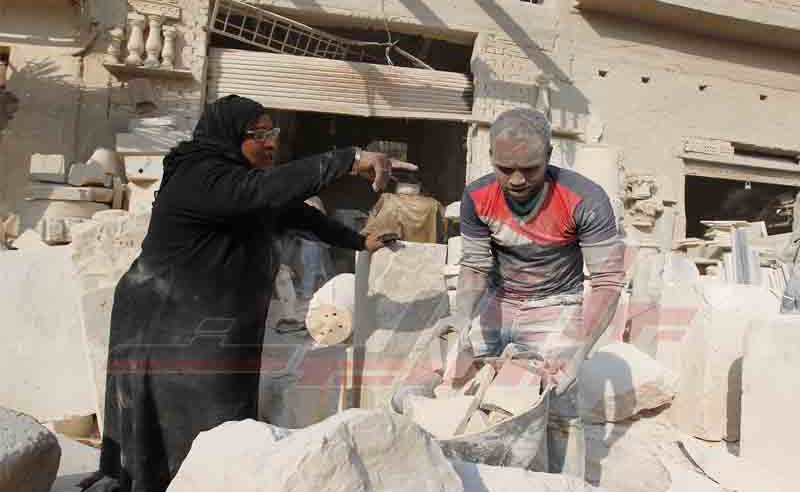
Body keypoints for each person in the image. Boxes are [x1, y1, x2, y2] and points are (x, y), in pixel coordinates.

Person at [80, 95, 416, 492]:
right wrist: (348, 159)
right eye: (259, 135)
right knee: (191, 416)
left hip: (209, 317)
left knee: (223, 415)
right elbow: (266, 190)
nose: (271, 143)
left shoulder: (242, 182)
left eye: (273, 133)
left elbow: (295, 212)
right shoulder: (200, 175)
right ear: (229, 136)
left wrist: (358, 241)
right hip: (164, 319)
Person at [449, 108, 625, 478]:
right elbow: (475, 265)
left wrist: (580, 351)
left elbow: (607, 280)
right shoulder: (477, 196)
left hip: (556, 304)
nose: (516, 180)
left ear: (548, 155)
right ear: (491, 157)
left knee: (558, 401)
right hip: (498, 298)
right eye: (504, 168)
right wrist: (460, 323)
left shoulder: (584, 198)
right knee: (462, 386)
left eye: (530, 169)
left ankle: (563, 482)